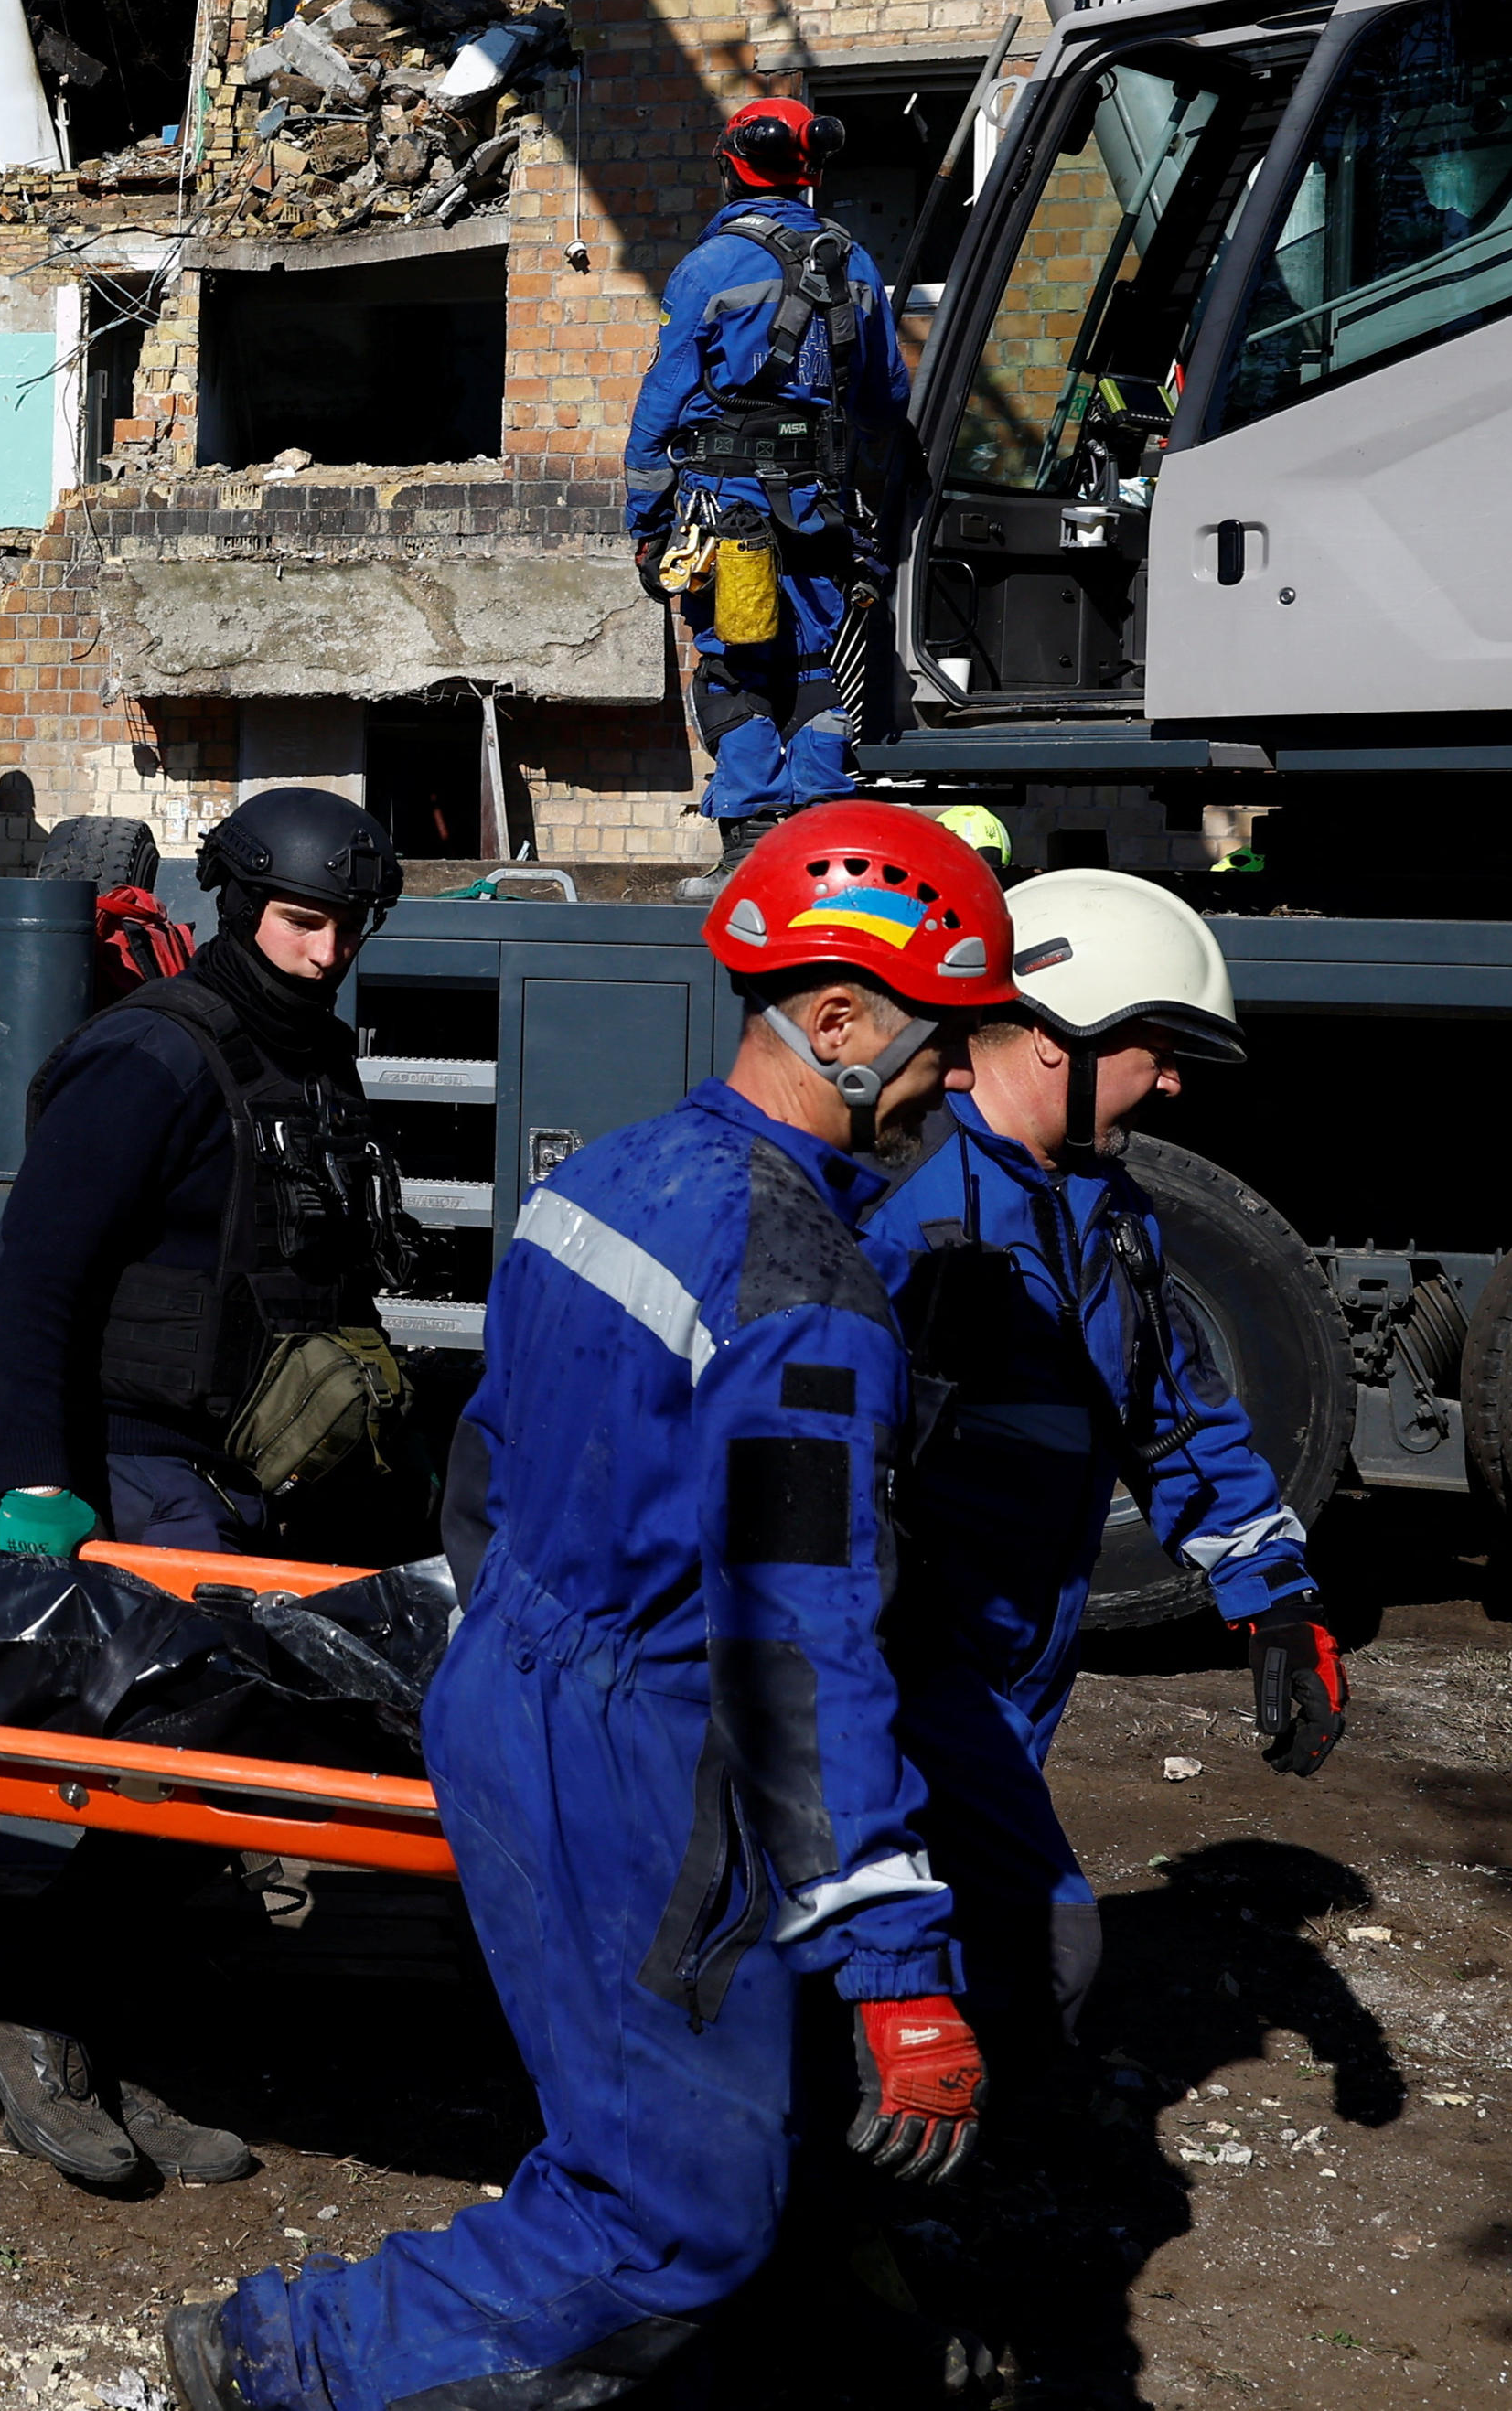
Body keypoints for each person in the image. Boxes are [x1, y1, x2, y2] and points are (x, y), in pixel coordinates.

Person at [171, 800, 1015, 2411]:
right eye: (943, 1039)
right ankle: (286, 2360)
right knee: (673, 2211)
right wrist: (902, 1970)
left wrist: (539, 1665)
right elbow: (799, 1639)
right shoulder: (804, 1298)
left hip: (519, 1685)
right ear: (836, 1016)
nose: (957, 1076)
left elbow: (484, 1464)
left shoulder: (613, 1173)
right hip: (638, 1749)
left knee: (671, 2129)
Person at [867, 870, 1338, 2112]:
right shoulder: (909, 1211)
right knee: (1029, 1940)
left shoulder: (1110, 1211)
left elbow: (1175, 1415)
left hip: (1024, 1648)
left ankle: (956, 2139)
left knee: (972, 1924)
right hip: (914, 1656)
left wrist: (1274, 1599)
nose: (1175, 1078)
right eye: (1155, 1046)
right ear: (1047, 1036)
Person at [0, 788, 412, 1562]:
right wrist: (35, 1482)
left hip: (288, 1459)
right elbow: (27, 1271)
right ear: (243, 909)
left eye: (351, 929)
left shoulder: (320, 1060)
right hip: (149, 1468)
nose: (328, 953)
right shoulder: (150, 1056)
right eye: (305, 923)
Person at [628, 96, 913, 856]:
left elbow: (658, 414)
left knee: (734, 660)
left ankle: (751, 835)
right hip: (822, 507)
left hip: (728, 508)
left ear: (732, 168)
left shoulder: (710, 267)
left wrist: (648, 528)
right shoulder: (855, 262)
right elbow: (886, 401)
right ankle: (825, 832)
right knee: (818, 664)